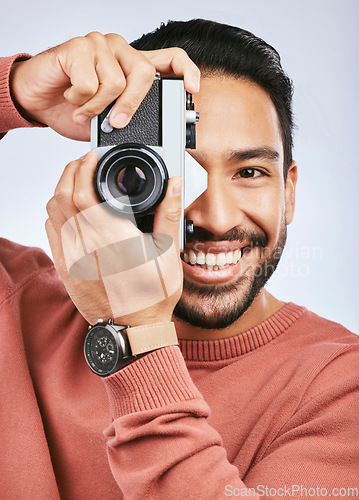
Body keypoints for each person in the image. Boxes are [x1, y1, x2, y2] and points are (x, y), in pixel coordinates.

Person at [0, 19, 358, 500]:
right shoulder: (15, 304)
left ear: (288, 191)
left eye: (249, 171)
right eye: (179, 172)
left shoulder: (340, 389)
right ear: (112, 174)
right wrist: (18, 90)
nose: (214, 216)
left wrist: (140, 335)